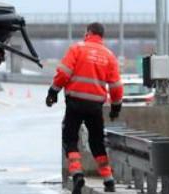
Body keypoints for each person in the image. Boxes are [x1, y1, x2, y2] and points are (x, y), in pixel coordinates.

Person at [45, 22, 123, 194]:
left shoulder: (77, 49)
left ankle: (77, 175)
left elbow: (64, 73)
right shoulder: (109, 56)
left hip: (75, 103)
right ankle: (109, 180)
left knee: (70, 139)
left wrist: (53, 92)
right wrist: (116, 107)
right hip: (95, 106)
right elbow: (116, 86)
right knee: (97, 143)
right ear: (101, 36)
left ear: (88, 33)